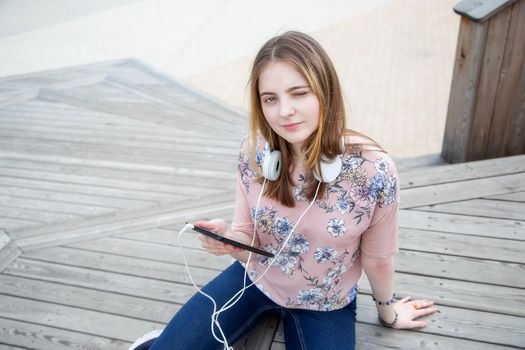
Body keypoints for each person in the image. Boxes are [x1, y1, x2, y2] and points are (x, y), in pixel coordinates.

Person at [130, 30, 438, 350]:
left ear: (325, 92)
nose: (284, 111)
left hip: (324, 302)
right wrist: (227, 238)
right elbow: (248, 239)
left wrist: (388, 314)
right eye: (270, 99)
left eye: (299, 93)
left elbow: (379, 260)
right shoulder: (255, 151)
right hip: (254, 281)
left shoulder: (374, 170)